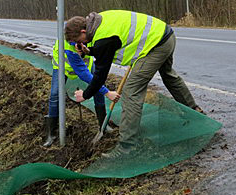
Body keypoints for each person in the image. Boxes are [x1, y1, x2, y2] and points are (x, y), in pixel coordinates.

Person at [65, 10, 205, 159]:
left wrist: (85, 95)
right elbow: (107, 47)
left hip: (155, 46)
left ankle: (127, 147)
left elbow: (100, 76)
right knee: (169, 76)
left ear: (83, 31)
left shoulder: (104, 37)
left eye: (78, 40)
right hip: (166, 35)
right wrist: (89, 51)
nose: (79, 44)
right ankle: (194, 111)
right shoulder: (98, 20)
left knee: (131, 91)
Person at [44, 38, 116, 147]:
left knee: (98, 90)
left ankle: (103, 125)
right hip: (62, 68)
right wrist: (107, 93)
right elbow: (84, 74)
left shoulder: (90, 35)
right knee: (55, 95)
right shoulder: (68, 45)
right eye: (78, 45)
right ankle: (51, 134)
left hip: (86, 66)